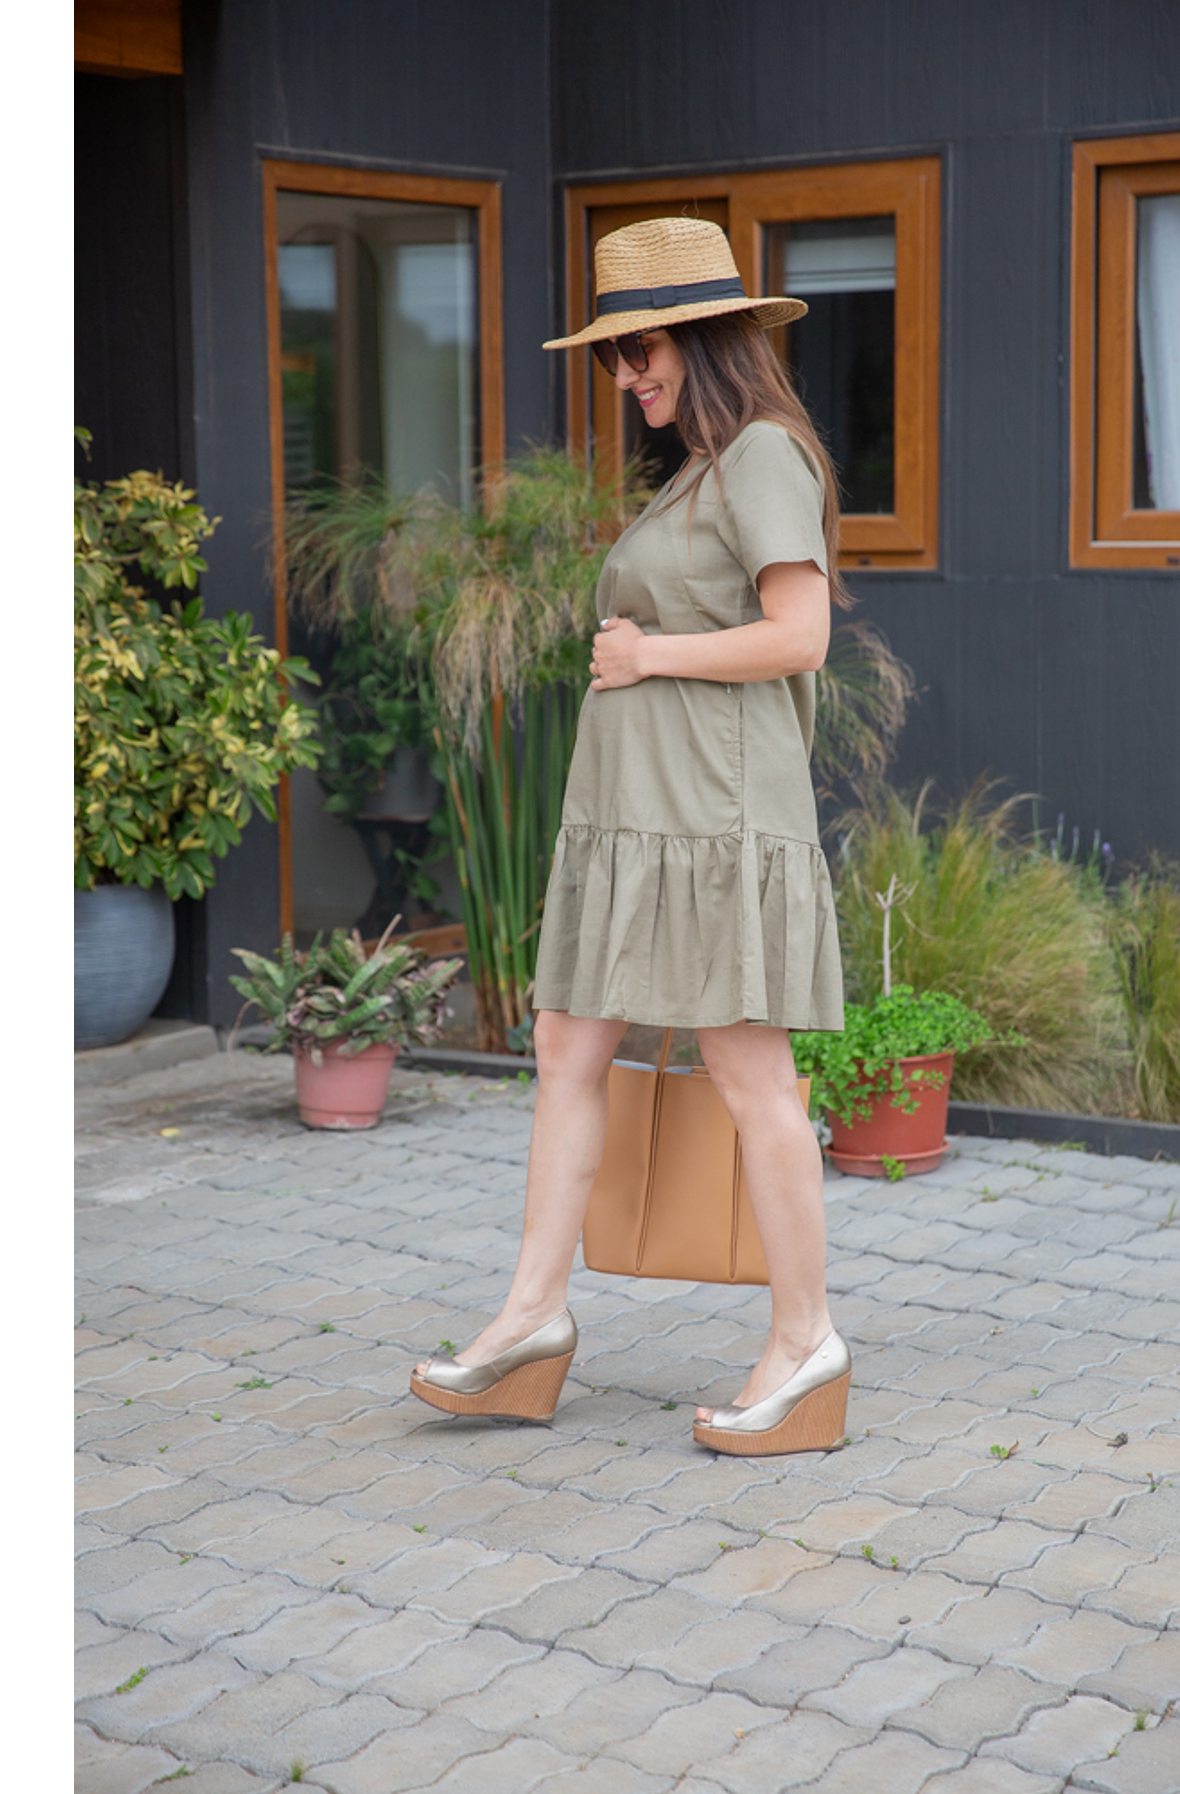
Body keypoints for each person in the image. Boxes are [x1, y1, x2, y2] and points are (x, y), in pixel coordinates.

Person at [411, 216, 851, 1454]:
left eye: (637, 349)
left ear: (701, 340)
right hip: (636, 820)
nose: (623, 376)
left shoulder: (762, 455)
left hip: (713, 819)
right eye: (611, 355)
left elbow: (801, 635)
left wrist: (649, 655)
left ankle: (805, 1340)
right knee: (564, 1042)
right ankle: (529, 1319)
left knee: (749, 1072)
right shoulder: (699, 469)